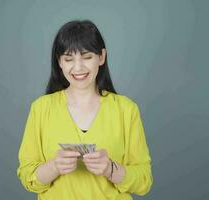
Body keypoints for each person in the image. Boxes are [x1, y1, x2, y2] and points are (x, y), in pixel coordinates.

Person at [17, 19, 153, 200]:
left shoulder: (126, 110)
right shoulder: (41, 109)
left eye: (87, 57)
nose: (78, 67)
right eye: (68, 59)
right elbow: (27, 176)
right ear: (59, 62)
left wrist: (110, 169)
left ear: (101, 57)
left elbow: (144, 181)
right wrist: (54, 167)